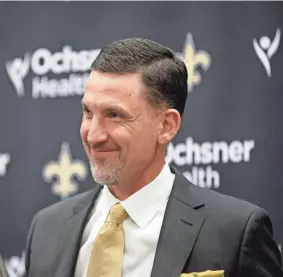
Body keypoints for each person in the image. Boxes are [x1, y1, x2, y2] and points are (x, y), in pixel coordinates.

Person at [25, 38, 283, 277]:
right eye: (88, 112)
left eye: (115, 115)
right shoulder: (47, 228)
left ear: (167, 125)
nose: (93, 135)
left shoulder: (236, 232)